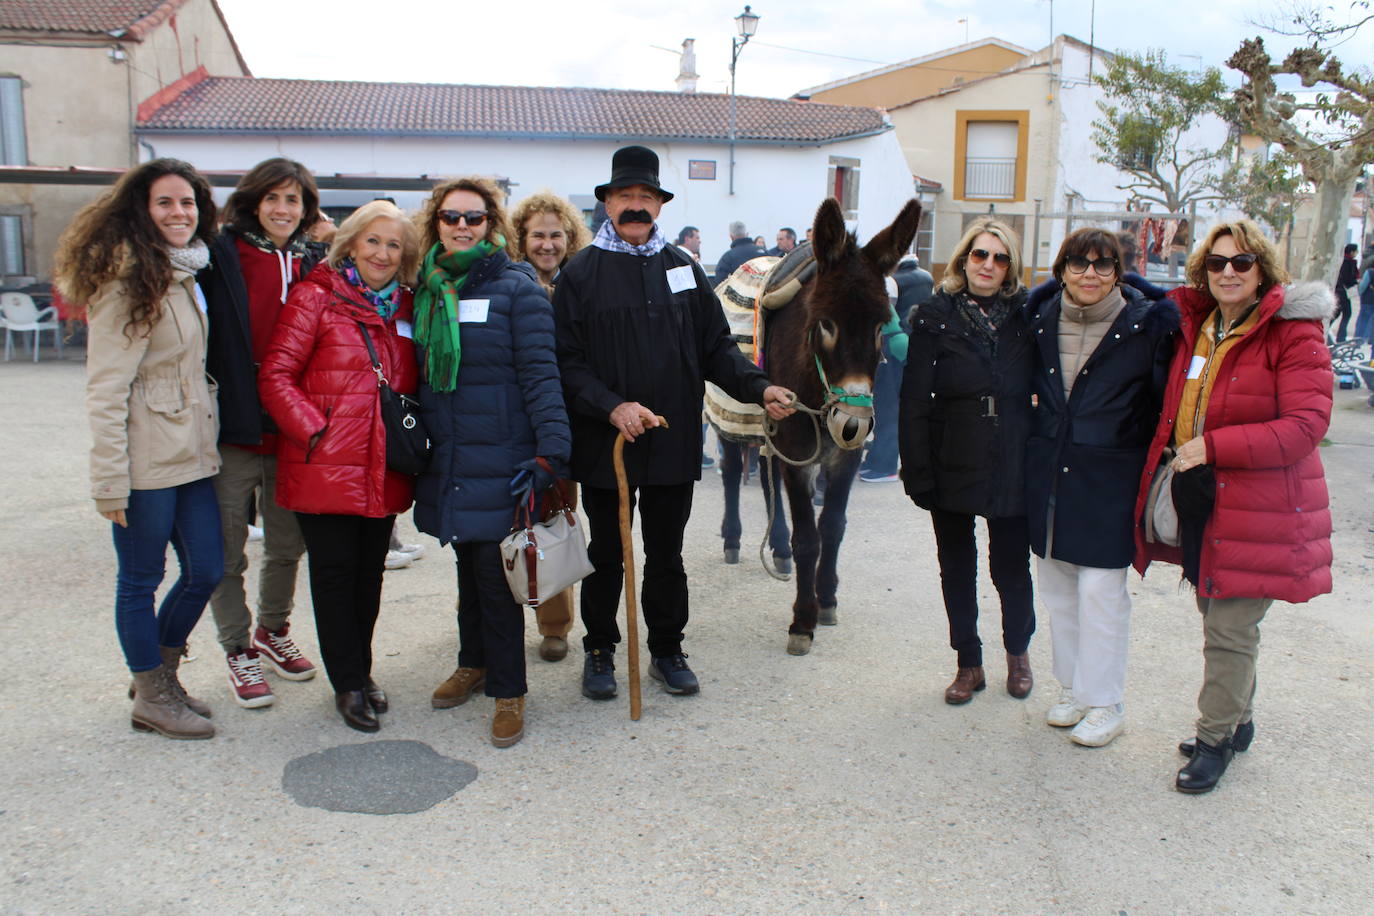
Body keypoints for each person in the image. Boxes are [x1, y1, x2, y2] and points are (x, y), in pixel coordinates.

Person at [553, 145, 795, 699]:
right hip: (606, 442)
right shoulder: (581, 274)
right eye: (626, 197)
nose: (636, 206)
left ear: (658, 205)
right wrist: (611, 405)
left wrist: (760, 388)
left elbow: (717, 349)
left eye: (646, 197)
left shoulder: (683, 269)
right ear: (608, 203)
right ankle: (599, 650)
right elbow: (565, 361)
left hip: (671, 440)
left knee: (666, 554)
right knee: (606, 554)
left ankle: (666, 646)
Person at [1133, 220, 1332, 794]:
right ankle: (1238, 721)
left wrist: (1215, 446)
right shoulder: (1198, 326)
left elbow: (1306, 425)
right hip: (1206, 501)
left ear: (1262, 270)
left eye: (1241, 263)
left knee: (1229, 629)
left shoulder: (1292, 334)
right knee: (1215, 614)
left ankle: (1215, 739)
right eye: (1217, 263)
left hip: (1260, 507)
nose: (1228, 272)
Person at [56, 158, 224, 739]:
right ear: (142, 210)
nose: (179, 214)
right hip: (146, 460)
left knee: (207, 568)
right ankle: (151, 691)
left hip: (193, 452)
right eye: (165, 203)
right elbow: (106, 388)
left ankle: (160, 672)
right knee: (140, 578)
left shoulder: (185, 274)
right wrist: (109, 480)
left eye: (187, 203)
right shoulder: (128, 282)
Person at [412, 178, 572, 747]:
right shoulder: (427, 288)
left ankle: (510, 690)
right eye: (451, 218)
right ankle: (472, 662)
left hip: (502, 455)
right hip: (451, 457)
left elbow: (540, 374)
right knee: (467, 570)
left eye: (473, 218)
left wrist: (552, 451)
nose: (462, 227)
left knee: (495, 576)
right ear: (436, 224)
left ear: (492, 225)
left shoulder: (516, 288)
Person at [258, 200, 420, 733]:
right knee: (334, 577)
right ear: (350, 244)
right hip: (326, 465)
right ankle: (347, 683)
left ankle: (360, 669)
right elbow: (276, 376)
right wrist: (317, 431)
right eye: (373, 240)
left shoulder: (403, 308)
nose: (382, 252)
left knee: (368, 578)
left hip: (382, 467)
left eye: (394, 244)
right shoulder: (316, 297)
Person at [1024, 227, 1178, 747]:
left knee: (1100, 592)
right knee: (1058, 591)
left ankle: (1106, 700)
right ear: (1061, 268)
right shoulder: (1039, 319)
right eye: (1079, 263)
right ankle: (1072, 689)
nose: (1090, 274)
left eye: (1103, 264)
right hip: (1049, 473)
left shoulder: (1147, 326)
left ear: (1120, 270)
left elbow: (1163, 404)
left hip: (1111, 476)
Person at [200, 157, 322, 709]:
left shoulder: (312, 262)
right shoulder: (221, 254)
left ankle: (271, 632)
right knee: (225, 550)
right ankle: (235, 647)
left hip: (290, 428)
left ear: (305, 209)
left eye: (292, 200)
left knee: (286, 544)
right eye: (273, 198)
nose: (282, 209)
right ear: (253, 201)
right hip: (233, 428)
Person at [899, 220, 1035, 704]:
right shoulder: (935, 316)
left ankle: (1018, 655)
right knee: (957, 566)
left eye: (1000, 258)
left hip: (1012, 455)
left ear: (1011, 267)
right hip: (952, 451)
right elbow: (914, 398)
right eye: (980, 255)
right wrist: (916, 468)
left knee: (1010, 567)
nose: (988, 266)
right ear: (963, 259)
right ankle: (968, 663)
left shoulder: (1028, 314)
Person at [510, 190, 590, 664]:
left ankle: (555, 625)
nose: (547, 243)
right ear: (522, 239)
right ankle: (491, 619)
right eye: (537, 234)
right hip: (510, 425)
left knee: (554, 522)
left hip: (560, 427)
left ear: (569, 238)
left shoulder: (576, 288)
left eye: (555, 234)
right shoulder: (505, 284)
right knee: (496, 530)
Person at [859, 253, 930, 483]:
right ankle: (879, 460)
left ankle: (885, 465)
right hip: (903, 348)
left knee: (888, 410)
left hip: (892, 350)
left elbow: (887, 321)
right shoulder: (926, 278)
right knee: (888, 409)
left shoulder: (890, 284)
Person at [714, 220, 764, 285]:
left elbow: (720, 285)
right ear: (746, 234)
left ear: (731, 236)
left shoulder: (727, 258)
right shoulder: (764, 253)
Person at [1332, 242, 1359, 341]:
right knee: (1347, 314)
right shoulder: (1349, 263)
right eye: (1356, 251)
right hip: (1343, 292)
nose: (1357, 253)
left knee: (1337, 313)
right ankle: (1341, 338)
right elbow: (1348, 278)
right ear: (1351, 252)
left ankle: (1332, 333)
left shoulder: (1343, 261)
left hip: (1339, 291)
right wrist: (1355, 282)